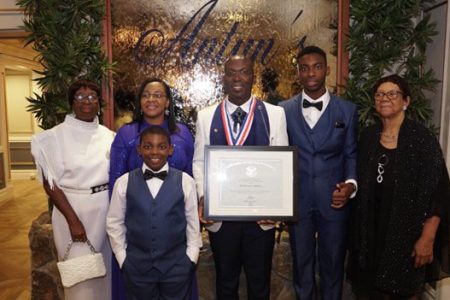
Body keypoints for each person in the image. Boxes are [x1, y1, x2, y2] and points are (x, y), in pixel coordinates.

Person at [193, 55, 288, 299]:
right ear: (223, 78)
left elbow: (281, 165)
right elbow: (199, 162)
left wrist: (277, 206)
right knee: (225, 283)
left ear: (252, 77)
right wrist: (204, 196)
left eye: (243, 72)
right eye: (231, 72)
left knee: (259, 284)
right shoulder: (205, 116)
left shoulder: (274, 114)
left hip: (261, 218)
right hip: (221, 219)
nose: (237, 78)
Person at [348, 74, 450, 299]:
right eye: (380, 94)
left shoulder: (422, 140)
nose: (385, 98)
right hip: (369, 243)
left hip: (407, 243)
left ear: (406, 101)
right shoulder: (368, 137)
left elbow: (440, 193)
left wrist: (427, 238)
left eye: (393, 93)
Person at [279, 45, 358, 300]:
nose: (310, 73)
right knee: (301, 265)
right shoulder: (283, 110)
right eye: (304, 68)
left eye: (316, 66)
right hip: (298, 202)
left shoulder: (347, 110)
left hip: (334, 201)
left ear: (327, 70)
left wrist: (350, 185)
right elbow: (278, 156)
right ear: (298, 73)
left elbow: (351, 153)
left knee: (333, 266)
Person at [109, 78, 196, 300]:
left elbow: (191, 178)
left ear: (167, 101)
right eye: (146, 94)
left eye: (158, 95)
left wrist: (190, 256)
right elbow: (116, 182)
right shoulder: (126, 134)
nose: (151, 99)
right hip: (138, 244)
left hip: (175, 249)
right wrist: (123, 255)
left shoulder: (183, 134)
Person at [31, 80, 115, 299]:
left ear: (99, 103)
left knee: (104, 277)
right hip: (74, 213)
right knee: (80, 280)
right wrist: (73, 221)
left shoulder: (109, 136)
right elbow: (50, 184)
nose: (86, 102)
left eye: (92, 97)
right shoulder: (54, 137)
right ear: (71, 102)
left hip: (104, 211)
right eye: (80, 96)